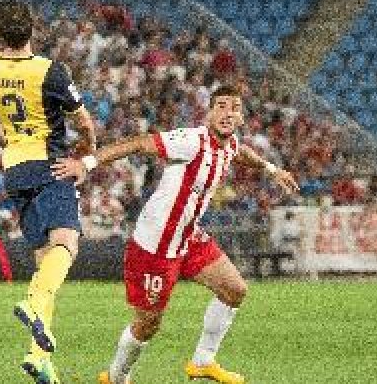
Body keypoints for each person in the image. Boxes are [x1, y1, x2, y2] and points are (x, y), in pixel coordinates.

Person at [52, 86, 298, 384]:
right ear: (209, 111)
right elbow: (140, 144)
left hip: (188, 237)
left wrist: (273, 169)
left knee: (235, 289)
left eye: (234, 108)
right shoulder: (192, 140)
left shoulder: (229, 144)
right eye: (220, 105)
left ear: (241, 118)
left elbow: (241, 153)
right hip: (155, 245)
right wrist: (86, 163)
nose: (227, 113)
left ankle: (203, 362)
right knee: (148, 324)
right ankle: (116, 378)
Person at [0, 0, 96, 384]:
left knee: (48, 262)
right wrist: (88, 149)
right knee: (67, 244)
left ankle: (39, 356)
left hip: (14, 170)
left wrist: (5, 140)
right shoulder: (50, 71)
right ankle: (30, 301)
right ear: (33, 28)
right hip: (50, 165)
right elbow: (83, 120)